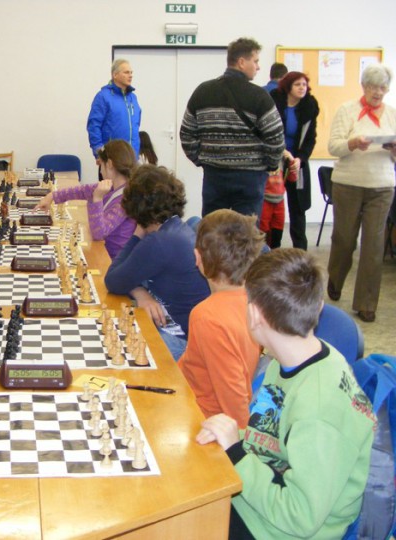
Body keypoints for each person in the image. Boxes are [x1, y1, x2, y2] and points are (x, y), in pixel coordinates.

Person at [197, 248, 375, 539]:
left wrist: (236, 453)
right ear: (318, 306)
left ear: (254, 314)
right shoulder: (285, 360)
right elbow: (268, 436)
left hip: (281, 529)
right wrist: (233, 438)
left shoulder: (319, 409)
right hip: (263, 496)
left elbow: (300, 516)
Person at [104, 165, 210, 359]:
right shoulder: (175, 229)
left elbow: (112, 280)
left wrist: (137, 233)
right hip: (190, 333)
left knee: (110, 341)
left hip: (182, 343)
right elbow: (126, 276)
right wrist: (140, 292)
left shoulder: (159, 241)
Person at [180, 37, 285, 218]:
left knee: (213, 228)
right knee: (246, 230)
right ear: (242, 62)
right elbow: (276, 139)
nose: (258, 67)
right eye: (256, 61)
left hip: (214, 176)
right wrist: (269, 164)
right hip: (250, 178)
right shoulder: (259, 96)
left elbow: (186, 134)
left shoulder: (203, 92)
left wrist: (202, 160)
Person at [178, 209, 263, 428]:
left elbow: (233, 398)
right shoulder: (256, 302)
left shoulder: (207, 316)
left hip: (202, 418)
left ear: (197, 257)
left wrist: (238, 444)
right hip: (191, 398)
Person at [327, 63, 396, 323]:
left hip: (382, 186)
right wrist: (353, 143)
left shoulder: (393, 114)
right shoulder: (347, 110)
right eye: (372, 86)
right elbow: (333, 147)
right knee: (344, 240)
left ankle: (366, 303)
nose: (377, 92)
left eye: (382, 87)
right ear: (363, 87)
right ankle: (335, 278)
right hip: (348, 184)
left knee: (373, 246)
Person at [35, 139, 137, 258]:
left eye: (101, 165)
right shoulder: (111, 186)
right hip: (102, 250)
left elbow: (99, 233)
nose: (100, 170)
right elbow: (81, 191)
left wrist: (97, 199)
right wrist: (52, 196)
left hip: (112, 259)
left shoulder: (126, 199)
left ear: (109, 164)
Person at [270, 71, 320, 250]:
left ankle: (300, 251)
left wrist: (301, 159)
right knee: (272, 206)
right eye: (297, 84)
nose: (302, 88)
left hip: (297, 163)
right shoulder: (275, 102)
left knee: (298, 207)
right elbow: (267, 132)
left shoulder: (309, 107)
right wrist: (282, 152)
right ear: (288, 87)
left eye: (304, 85)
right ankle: (272, 248)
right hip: (275, 161)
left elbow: (310, 139)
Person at [87, 59, 142, 165]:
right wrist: (99, 153)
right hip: (111, 158)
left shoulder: (133, 98)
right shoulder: (103, 97)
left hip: (132, 159)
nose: (130, 75)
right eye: (126, 72)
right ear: (115, 75)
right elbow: (94, 126)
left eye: (131, 72)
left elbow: (136, 125)